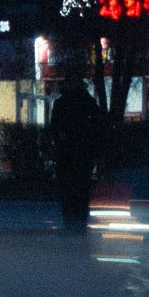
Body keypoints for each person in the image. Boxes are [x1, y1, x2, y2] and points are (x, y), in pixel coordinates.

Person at [49, 78, 100, 233]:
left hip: (66, 154)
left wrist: (57, 146)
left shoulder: (61, 103)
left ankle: (71, 222)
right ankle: (79, 222)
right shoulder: (88, 102)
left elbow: (54, 129)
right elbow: (98, 127)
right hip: (83, 154)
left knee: (68, 190)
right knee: (81, 190)